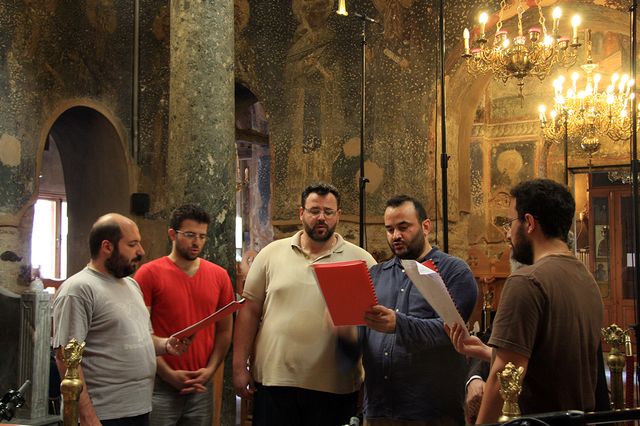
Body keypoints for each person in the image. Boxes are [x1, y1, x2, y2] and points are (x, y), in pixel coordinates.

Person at [448, 179, 604, 423]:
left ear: (529, 223)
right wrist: (489, 352)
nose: (507, 233)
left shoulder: (526, 281)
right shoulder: (586, 279)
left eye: (510, 223)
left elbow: (504, 375)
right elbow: (554, 362)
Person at [232, 182, 376, 426]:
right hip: (275, 382)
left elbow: (373, 325)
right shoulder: (270, 254)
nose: (321, 218)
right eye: (314, 210)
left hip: (335, 387)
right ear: (301, 213)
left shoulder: (362, 261)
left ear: (338, 215)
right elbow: (249, 312)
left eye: (328, 212)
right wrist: (238, 367)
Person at [52, 213, 189, 426]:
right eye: (132, 244)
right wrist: (87, 415)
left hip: (139, 409)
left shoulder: (131, 285)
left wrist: (165, 345)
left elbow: (142, 338)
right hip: (103, 414)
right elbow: (66, 358)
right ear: (107, 247)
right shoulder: (79, 289)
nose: (141, 251)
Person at [361, 195, 478, 425]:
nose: (395, 235)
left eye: (403, 227)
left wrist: (399, 324)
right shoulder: (376, 274)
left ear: (426, 227)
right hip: (378, 407)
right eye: (389, 229)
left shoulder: (454, 271)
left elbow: (450, 330)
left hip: (431, 410)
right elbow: (362, 333)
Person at [135, 204, 234, 426]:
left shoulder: (219, 276)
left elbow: (225, 331)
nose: (197, 242)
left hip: (201, 384)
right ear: (172, 234)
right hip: (160, 384)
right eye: (190, 235)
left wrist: (210, 370)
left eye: (202, 236)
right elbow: (139, 333)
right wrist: (168, 374)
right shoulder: (149, 274)